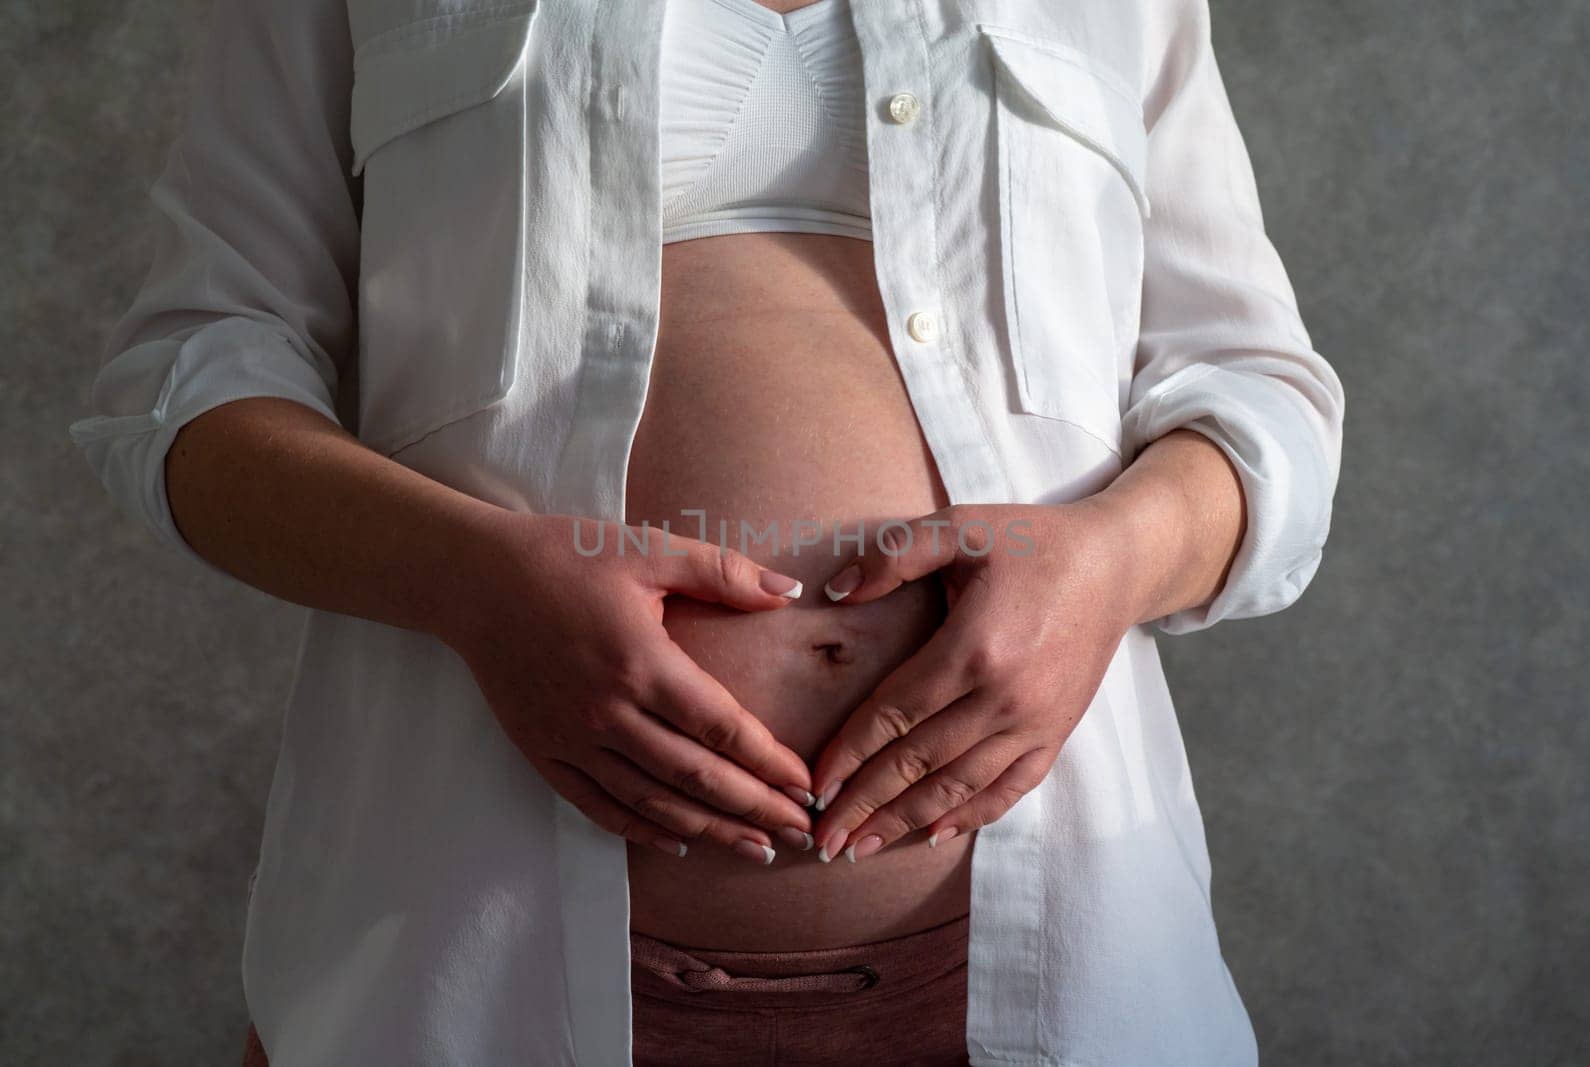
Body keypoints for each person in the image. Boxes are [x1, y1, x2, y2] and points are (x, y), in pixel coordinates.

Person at [68, 0, 1345, 1063]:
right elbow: (188, 375)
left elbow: (1256, 392)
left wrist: (1108, 563)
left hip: (1060, 970)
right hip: (472, 967)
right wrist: (472, 584)